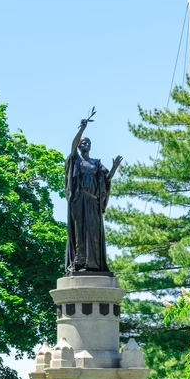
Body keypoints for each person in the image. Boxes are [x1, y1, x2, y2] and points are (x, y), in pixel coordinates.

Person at [65, 114, 122, 273]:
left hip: (93, 201)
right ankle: (80, 264)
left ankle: (95, 264)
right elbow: (72, 146)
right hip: (79, 200)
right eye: (83, 142)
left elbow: (107, 179)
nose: (86, 144)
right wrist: (82, 128)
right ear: (80, 146)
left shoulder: (96, 163)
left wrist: (114, 167)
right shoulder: (76, 160)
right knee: (80, 231)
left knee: (94, 233)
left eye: (88, 142)